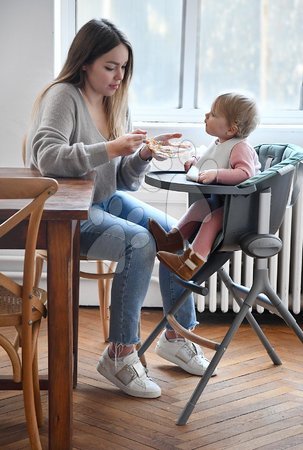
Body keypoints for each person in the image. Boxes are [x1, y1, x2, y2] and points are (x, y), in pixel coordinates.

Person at [25, 18, 214, 399]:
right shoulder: (63, 96)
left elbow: (122, 182)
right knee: (141, 242)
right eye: (110, 67)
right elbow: (46, 157)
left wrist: (142, 155)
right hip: (66, 211)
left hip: (104, 199)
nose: (119, 75)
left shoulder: (116, 102)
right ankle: (120, 354)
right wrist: (111, 148)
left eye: (123, 67)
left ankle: (177, 336)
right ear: (84, 63)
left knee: (176, 234)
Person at [149, 92, 260, 281]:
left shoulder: (240, 147)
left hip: (241, 211)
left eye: (214, 114)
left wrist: (216, 175)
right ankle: (171, 241)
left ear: (231, 129)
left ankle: (189, 264)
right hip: (225, 204)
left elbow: (245, 174)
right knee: (199, 207)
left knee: (211, 220)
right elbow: (210, 161)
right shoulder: (220, 143)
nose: (206, 116)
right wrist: (194, 164)